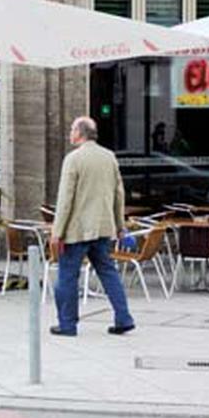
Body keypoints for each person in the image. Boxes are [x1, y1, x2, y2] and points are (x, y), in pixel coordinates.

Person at [49, 116, 135, 336]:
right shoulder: (109, 157)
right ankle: (123, 317)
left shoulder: (73, 159)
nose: (69, 133)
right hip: (103, 227)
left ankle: (67, 324)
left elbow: (65, 199)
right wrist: (119, 225)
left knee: (67, 276)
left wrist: (57, 232)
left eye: (71, 129)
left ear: (80, 133)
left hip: (77, 230)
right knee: (108, 273)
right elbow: (119, 194)